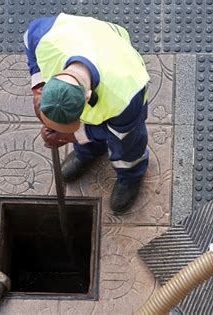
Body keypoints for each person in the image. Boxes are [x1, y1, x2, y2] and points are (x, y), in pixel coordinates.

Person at [24, 13, 150, 214]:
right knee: (87, 134)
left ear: (88, 97)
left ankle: (131, 175)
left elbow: (116, 132)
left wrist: (73, 135)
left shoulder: (124, 96)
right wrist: (38, 87)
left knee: (128, 147)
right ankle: (88, 153)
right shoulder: (45, 38)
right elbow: (29, 41)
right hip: (85, 37)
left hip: (117, 59)